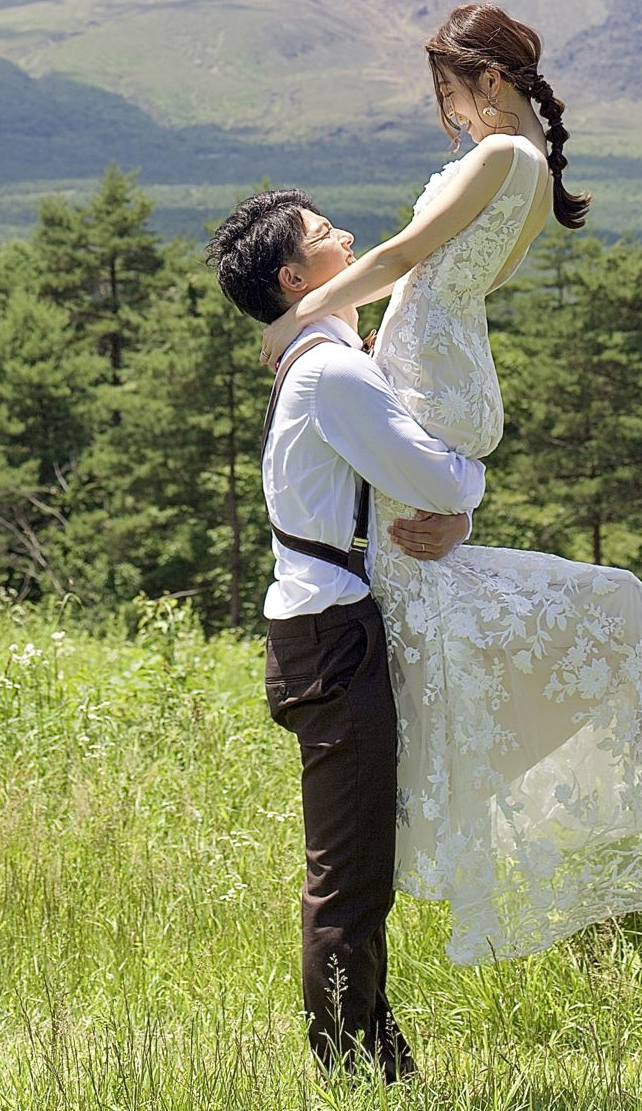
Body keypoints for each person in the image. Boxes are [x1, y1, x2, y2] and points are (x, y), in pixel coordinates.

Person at [258, 3, 642, 966]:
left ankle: (420, 798)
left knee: (422, 599)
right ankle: (417, 785)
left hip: (434, 383)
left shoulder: (503, 158)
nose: (449, 115)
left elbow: (402, 259)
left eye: (450, 94)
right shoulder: (534, 175)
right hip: (439, 374)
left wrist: (300, 322)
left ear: (486, 82)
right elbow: (443, 280)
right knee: (431, 591)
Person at [207, 186, 487, 1082]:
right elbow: (433, 476)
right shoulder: (331, 369)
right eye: (328, 236)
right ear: (298, 275)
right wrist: (470, 485)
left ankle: (380, 1064)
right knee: (348, 874)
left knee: (359, 862)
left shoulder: (319, 356)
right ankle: (346, 1072)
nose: (351, 239)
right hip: (333, 641)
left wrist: (455, 511)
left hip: (325, 634)